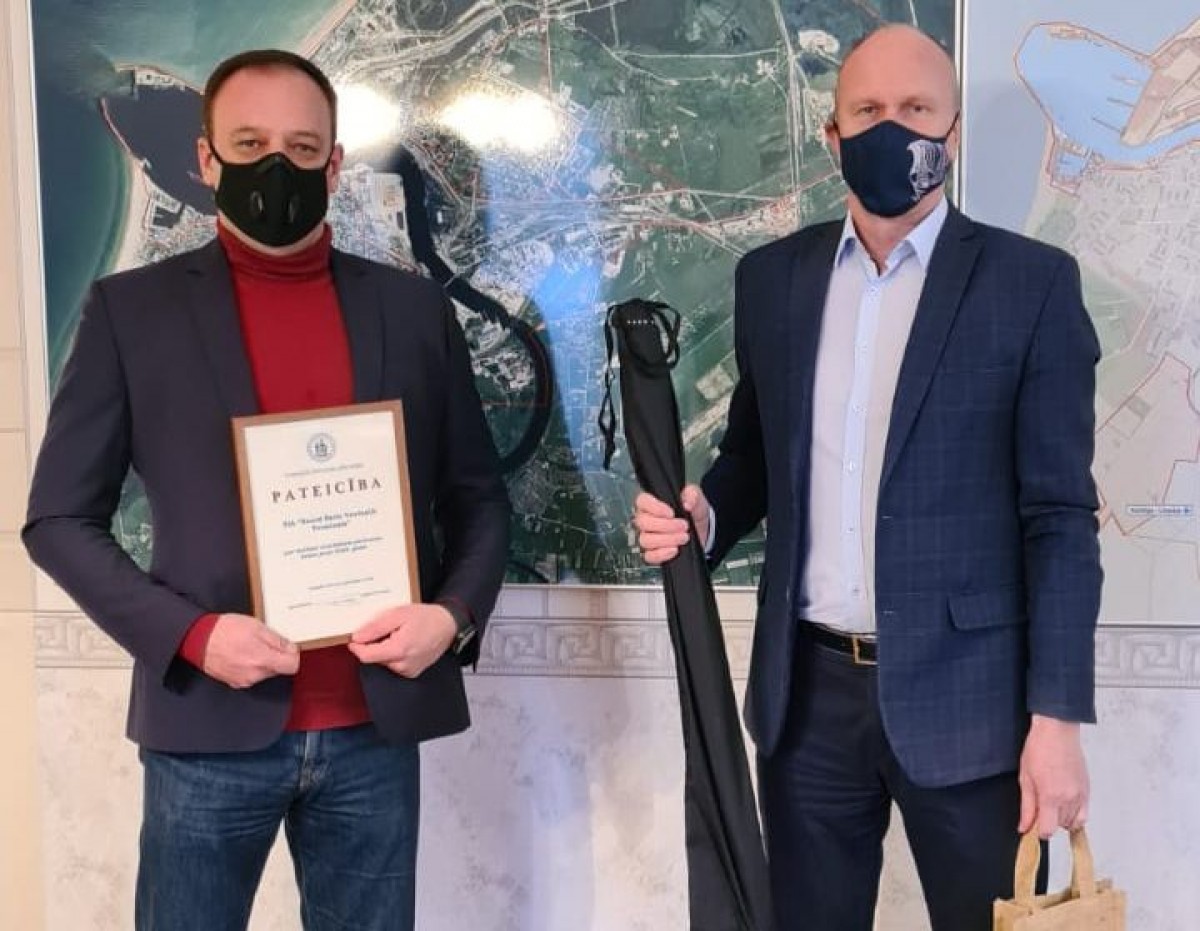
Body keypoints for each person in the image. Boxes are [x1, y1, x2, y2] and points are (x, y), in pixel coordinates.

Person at [24, 49, 510, 931]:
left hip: (375, 726)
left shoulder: (413, 310)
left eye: (301, 148)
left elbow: (476, 497)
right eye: (249, 145)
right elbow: (57, 518)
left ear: (334, 164)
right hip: (207, 728)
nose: (275, 168)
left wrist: (451, 617)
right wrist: (193, 636)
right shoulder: (130, 312)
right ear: (206, 159)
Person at [633, 24, 1101, 931]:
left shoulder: (1031, 285)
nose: (894, 128)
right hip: (806, 702)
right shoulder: (773, 280)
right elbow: (753, 457)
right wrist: (704, 513)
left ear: (953, 132)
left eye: (917, 109)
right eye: (869, 110)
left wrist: (1057, 722)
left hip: (975, 709)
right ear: (833, 135)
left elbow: (1059, 517)